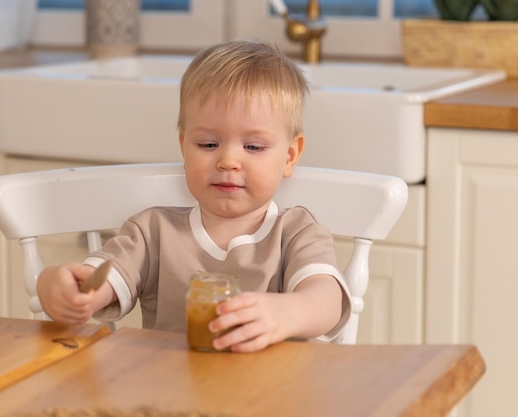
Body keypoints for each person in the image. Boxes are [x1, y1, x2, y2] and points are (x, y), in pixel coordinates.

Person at [37, 39, 351, 353]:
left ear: (290, 156)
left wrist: (288, 313)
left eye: (253, 147)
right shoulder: (153, 232)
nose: (228, 161)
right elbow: (100, 280)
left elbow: (326, 301)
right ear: (184, 146)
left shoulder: (297, 232)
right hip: (171, 391)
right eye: (208, 144)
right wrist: (62, 287)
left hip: (270, 394)